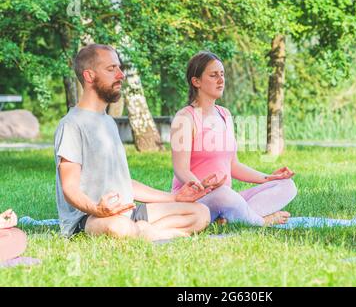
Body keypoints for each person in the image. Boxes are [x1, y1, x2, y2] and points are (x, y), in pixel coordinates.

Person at [54, 44, 211, 242]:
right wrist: (97, 209)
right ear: (89, 76)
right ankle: (151, 233)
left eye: (119, 68)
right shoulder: (71, 125)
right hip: (90, 218)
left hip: (127, 212)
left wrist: (174, 197)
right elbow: (70, 188)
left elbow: (124, 184)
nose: (120, 75)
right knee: (119, 227)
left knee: (200, 213)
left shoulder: (107, 122)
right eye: (111, 69)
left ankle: (144, 232)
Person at [170, 51, 298, 227]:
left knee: (286, 185)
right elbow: (181, 169)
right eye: (214, 75)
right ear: (196, 81)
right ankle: (260, 221)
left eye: (222, 74)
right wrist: (203, 187)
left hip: (225, 197)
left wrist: (269, 178)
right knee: (224, 194)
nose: (221, 80)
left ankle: (230, 218)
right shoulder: (185, 118)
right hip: (196, 200)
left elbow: (234, 166)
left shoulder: (224, 115)